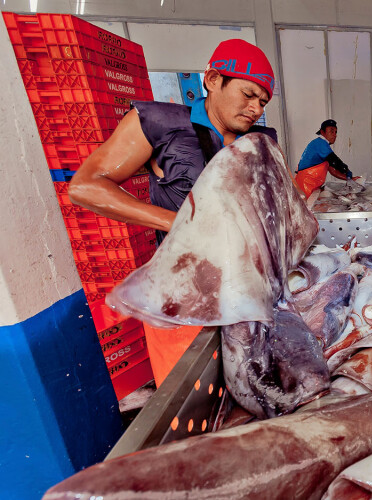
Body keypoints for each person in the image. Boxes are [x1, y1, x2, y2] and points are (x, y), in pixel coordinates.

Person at [69, 39, 277, 386]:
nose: (255, 108)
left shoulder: (259, 141)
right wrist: (178, 224)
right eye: (248, 94)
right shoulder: (160, 123)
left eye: (263, 102)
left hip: (245, 295)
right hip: (180, 299)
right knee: (190, 397)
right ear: (212, 79)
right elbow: (86, 186)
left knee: (251, 394)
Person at [295, 119, 354, 197]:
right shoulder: (320, 143)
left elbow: (332, 170)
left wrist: (349, 179)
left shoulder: (323, 148)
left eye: (336, 132)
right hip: (305, 187)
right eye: (331, 131)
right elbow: (335, 162)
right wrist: (346, 170)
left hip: (312, 186)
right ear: (322, 132)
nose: (335, 135)